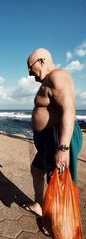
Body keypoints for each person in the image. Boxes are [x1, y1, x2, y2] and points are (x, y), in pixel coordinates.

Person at [24, 48, 83, 219]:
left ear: (41, 61)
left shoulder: (57, 76)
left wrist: (63, 148)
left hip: (57, 138)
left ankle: (58, 222)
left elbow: (69, 111)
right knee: (36, 170)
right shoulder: (49, 80)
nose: (29, 73)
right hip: (47, 139)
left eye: (30, 67)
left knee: (57, 182)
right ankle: (38, 205)